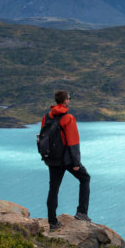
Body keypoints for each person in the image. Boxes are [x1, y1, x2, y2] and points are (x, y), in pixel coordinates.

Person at [42, 89, 91, 230]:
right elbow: (73, 142)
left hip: (52, 159)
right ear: (64, 101)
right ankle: (82, 212)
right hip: (66, 160)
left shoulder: (46, 117)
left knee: (53, 188)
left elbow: (44, 139)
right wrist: (76, 163)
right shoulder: (68, 118)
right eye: (69, 98)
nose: (70, 100)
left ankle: (52, 222)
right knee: (85, 178)